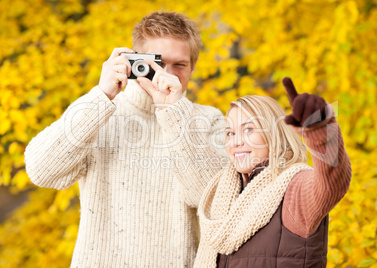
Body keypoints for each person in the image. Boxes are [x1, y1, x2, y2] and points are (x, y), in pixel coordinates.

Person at [24, 11, 227, 267]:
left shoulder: (209, 119)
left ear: (193, 67)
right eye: (158, 62)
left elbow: (208, 198)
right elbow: (41, 171)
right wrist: (101, 95)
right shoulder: (99, 110)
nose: (167, 74)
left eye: (180, 65)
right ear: (135, 61)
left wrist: (173, 114)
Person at [194, 77, 352, 267]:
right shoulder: (220, 194)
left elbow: (332, 183)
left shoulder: (294, 186)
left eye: (249, 130)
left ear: (274, 134)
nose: (236, 142)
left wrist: (320, 130)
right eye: (230, 133)